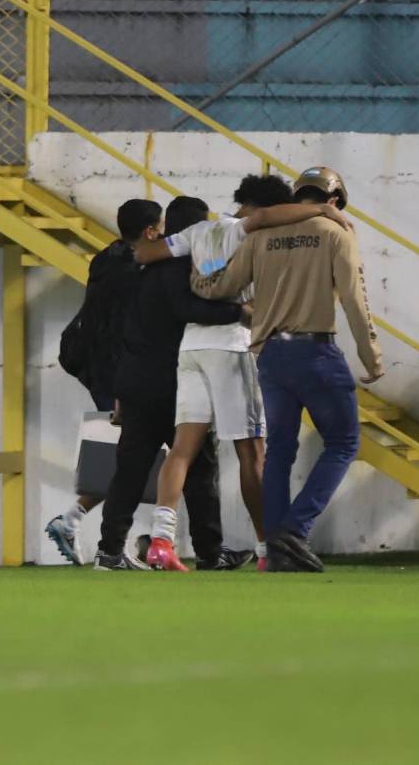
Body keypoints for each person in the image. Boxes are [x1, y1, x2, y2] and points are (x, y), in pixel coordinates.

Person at [133, 174, 353, 572]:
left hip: (192, 347)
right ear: (263, 208)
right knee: (252, 452)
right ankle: (269, 550)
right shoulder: (243, 228)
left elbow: (144, 254)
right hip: (232, 345)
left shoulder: (198, 231)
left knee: (182, 448)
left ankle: (162, 539)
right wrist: (322, 208)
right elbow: (265, 216)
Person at [191, 166, 384, 572]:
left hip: (270, 358)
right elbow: (353, 299)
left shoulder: (260, 236)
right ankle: (294, 530)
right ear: (334, 202)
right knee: (344, 442)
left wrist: (196, 279)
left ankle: (277, 551)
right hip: (316, 353)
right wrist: (371, 357)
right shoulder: (336, 232)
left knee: (279, 450)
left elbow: (223, 285)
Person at [94, 197, 248, 570]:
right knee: (199, 470)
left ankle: (109, 551)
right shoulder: (180, 266)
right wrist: (240, 312)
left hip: (136, 384)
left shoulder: (136, 269)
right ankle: (211, 553)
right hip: (174, 385)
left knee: (129, 472)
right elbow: (189, 310)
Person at [46, 198, 162, 566]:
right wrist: (121, 388)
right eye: (159, 228)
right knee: (134, 459)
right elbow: (121, 330)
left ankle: (87, 525)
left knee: (132, 457)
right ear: (149, 231)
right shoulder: (133, 270)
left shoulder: (106, 258)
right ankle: (107, 536)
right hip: (117, 372)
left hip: (100, 366)